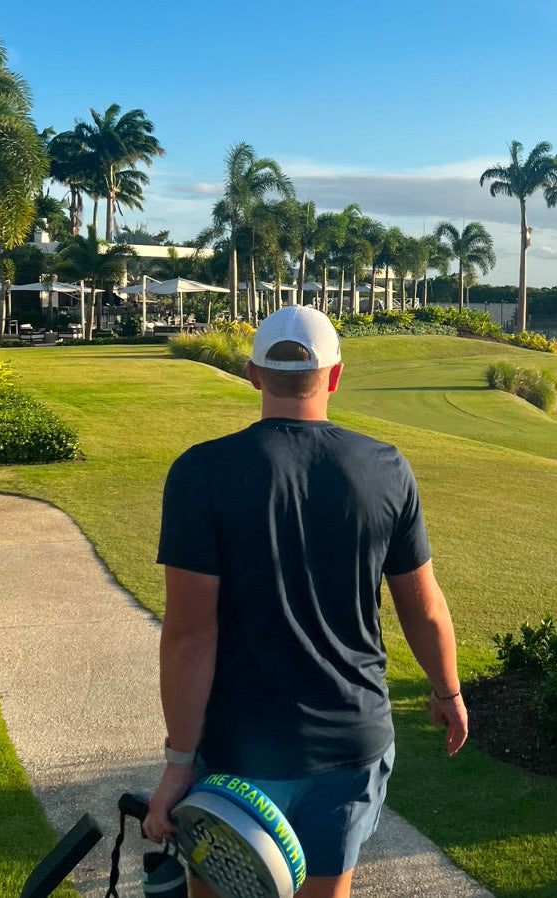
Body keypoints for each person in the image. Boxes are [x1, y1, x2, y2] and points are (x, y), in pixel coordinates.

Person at [143, 305, 468, 898]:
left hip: (240, 749)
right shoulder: (386, 469)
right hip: (349, 743)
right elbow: (423, 607)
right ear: (336, 376)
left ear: (252, 374)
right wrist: (447, 691)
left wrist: (179, 760)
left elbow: (191, 635)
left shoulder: (201, 473)